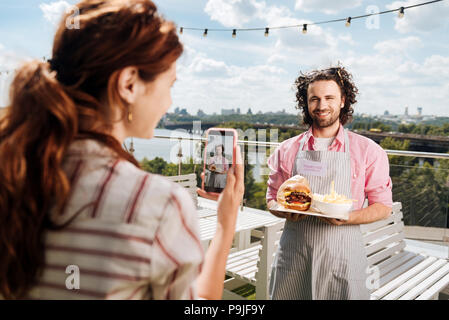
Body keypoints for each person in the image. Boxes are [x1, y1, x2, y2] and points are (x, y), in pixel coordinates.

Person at [0, 0, 244, 300]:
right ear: (128, 84)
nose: (169, 103)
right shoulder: (155, 204)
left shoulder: (14, 169)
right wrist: (226, 224)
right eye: (169, 85)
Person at [266, 66, 393, 300]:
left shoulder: (368, 151)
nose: (322, 105)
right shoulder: (287, 149)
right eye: (314, 98)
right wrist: (284, 212)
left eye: (329, 98)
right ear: (306, 103)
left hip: (344, 257)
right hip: (294, 255)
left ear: (343, 101)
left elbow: (383, 207)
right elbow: (272, 200)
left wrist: (347, 217)